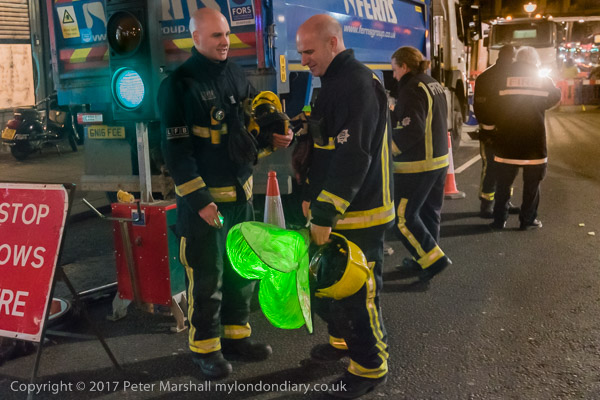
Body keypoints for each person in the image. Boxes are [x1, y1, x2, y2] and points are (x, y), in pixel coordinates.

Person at [157, 8, 292, 379]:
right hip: (207, 207)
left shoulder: (235, 73)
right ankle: (206, 349)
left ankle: (236, 338)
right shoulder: (178, 85)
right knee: (207, 279)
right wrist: (201, 202)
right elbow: (176, 153)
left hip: (240, 201)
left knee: (239, 274)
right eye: (216, 35)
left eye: (227, 34)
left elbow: (247, 130)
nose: (225, 42)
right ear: (195, 38)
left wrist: (274, 136)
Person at [295, 14, 394, 399]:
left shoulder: (355, 84)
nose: (303, 60)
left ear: (333, 43)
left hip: (360, 213)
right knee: (330, 285)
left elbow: (353, 157)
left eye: (309, 51)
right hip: (340, 210)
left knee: (357, 294)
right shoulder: (336, 81)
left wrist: (325, 212)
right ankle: (341, 342)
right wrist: (311, 194)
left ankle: (370, 366)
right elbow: (326, 150)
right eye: (301, 52)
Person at [390, 47, 451, 281]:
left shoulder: (412, 88)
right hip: (438, 161)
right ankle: (424, 260)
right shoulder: (432, 83)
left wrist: (390, 150)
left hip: (417, 166)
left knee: (402, 217)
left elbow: (412, 128)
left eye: (395, 69)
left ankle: (434, 261)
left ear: (404, 66)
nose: (394, 75)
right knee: (428, 213)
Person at [488, 46, 561, 230]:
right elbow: (556, 96)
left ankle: (499, 220)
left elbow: (493, 102)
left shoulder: (503, 77)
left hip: (507, 140)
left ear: (517, 59)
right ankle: (527, 219)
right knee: (532, 184)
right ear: (535, 61)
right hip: (533, 142)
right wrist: (540, 106)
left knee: (503, 184)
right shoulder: (541, 79)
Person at [473, 45, 520, 218]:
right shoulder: (491, 76)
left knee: (498, 167)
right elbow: (482, 107)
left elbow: (480, 107)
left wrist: (488, 130)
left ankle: (500, 202)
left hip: (496, 131)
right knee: (496, 167)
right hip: (499, 132)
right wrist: (489, 131)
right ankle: (487, 204)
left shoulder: (487, 76)